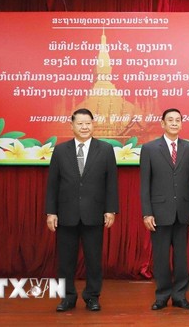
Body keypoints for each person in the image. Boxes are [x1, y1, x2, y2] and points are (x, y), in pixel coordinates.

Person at [45, 108, 119, 312]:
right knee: (65, 260)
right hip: (66, 214)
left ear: (93, 124)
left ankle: (92, 296)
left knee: (94, 259)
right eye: (80, 123)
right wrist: (51, 212)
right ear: (72, 126)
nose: (84, 127)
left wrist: (110, 209)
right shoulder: (60, 150)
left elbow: (111, 182)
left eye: (88, 123)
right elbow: (52, 184)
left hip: (94, 214)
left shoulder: (105, 149)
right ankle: (67, 297)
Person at [140, 108, 189, 310]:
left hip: (183, 211)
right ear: (162, 124)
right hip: (159, 212)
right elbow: (144, 183)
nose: (174, 123)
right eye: (170, 120)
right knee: (161, 257)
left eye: (178, 120)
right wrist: (147, 212)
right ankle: (162, 295)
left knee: (181, 258)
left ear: (181, 124)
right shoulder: (149, 148)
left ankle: (180, 296)